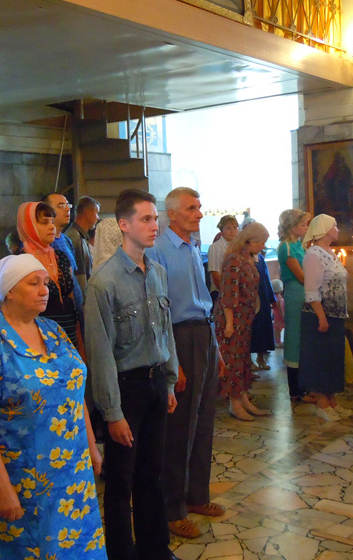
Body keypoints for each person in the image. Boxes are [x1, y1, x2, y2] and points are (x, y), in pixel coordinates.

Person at [0, 254, 105, 559]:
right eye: (34, 283)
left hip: (71, 474)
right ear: (9, 291)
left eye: (46, 284)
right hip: (22, 478)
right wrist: (2, 489)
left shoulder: (51, 330)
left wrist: (91, 446)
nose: (44, 291)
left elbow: (73, 389)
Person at [85, 188, 180, 560]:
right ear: (124, 225)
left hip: (154, 381)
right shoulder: (104, 282)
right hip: (126, 388)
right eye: (146, 219)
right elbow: (101, 353)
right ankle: (122, 553)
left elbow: (165, 332)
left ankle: (156, 549)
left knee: (151, 473)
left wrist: (169, 380)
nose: (155, 225)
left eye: (155, 218)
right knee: (121, 479)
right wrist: (112, 412)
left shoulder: (157, 272)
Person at [146, 186, 225, 540]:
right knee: (179, 429)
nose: (199, 214)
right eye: (192, 208)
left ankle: (197, 496)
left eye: (199, 207)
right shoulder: (159, 250)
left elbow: (203, 301)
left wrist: (216, 349)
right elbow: (159, 312)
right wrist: (171, 361)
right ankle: (172, 509)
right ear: (173, 213)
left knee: (204, 421)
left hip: (203, 334)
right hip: (179, 338)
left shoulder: (193, 246)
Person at [215, 221, 272, 420]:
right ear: (250, 241)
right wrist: (229, 323)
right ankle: (235, 404)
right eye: (261, 242)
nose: (263, 246)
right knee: (233, 361)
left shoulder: (250, 258)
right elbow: (228, 292)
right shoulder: (234, 259)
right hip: (232, 317)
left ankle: (244, 399)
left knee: (243, 361)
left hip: (245, 317)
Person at [298, 214, 350, 421]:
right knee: (320, 359)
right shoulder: (313, 255)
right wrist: (321, 318)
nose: (338, 229)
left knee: (333, 359)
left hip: (335, 315)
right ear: (325, 229)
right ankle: (321, 402)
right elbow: (311, 290)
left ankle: (332, 400)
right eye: (334, 226)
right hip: (319, 316)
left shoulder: (330, 252)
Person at [17, 201, 83, 349]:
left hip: (68, 331)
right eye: (44, 222)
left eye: (52, 221)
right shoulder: (20, 262)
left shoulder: (60, 257)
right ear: (29, 225)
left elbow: (70, 298)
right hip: (39, 337)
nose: (52, 227)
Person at [277, 209, 312, 401]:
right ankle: (296, 389)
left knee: (304, 338)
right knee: (295, 337)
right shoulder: (286, 248)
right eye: (303, 224)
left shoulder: (299, 245)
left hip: (304, 292)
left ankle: (305, 384)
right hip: (296, 294)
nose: (306, 227)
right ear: (292, 226)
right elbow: (300, 276)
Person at [44, 192, 86, 311]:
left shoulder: (66, 240)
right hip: (58, 310)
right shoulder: (46, 243)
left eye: (68, 205)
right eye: (61, 206)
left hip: (75, 309)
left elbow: (72, 275)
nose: (67, 209)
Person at [249, 244, 276, 371]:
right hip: (252, 299)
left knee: (264, 327)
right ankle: (249, 360)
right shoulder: (245, 259)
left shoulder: (261, 258)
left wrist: (272, 298)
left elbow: (266, 278)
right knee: (253, 329)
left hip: (263, 296)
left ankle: (261, 357)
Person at [66, 195, 100, 290]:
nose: (98, 218)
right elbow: (80, 277)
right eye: (97, 213)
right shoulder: (76, 238)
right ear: (88, 213)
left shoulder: (79, 236)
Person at [207, 215, 239, 301]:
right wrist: (228, 295)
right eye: (228, 228)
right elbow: (215, 276)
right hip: (220, 293)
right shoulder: (215, 247)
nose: (232, 231)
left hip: (236, 293)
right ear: (221, 230)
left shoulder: (238, 246)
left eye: (235, 227)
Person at [271, 278, 285, 348]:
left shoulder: (276, 297)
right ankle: (277, 342)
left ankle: (278, 341)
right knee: (278, 330)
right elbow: (280, 309)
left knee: (278, 330)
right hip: (280, 316)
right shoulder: (278, 298)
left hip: (278, 316)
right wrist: (283, 316)